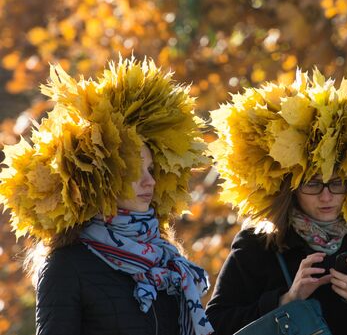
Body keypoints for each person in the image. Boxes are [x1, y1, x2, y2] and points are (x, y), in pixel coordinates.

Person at [0, 57, 214, 335]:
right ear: (104, 176)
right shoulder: (66, 267)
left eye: (151, 169)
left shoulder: (168, 262)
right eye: (135, 171)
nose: (150, 181)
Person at [205, 69, 347, 335]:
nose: (327, 195)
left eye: (338, 182)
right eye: (313, 183)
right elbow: (213, 324)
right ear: (291, 188)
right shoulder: (256, 248)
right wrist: (286, 300)